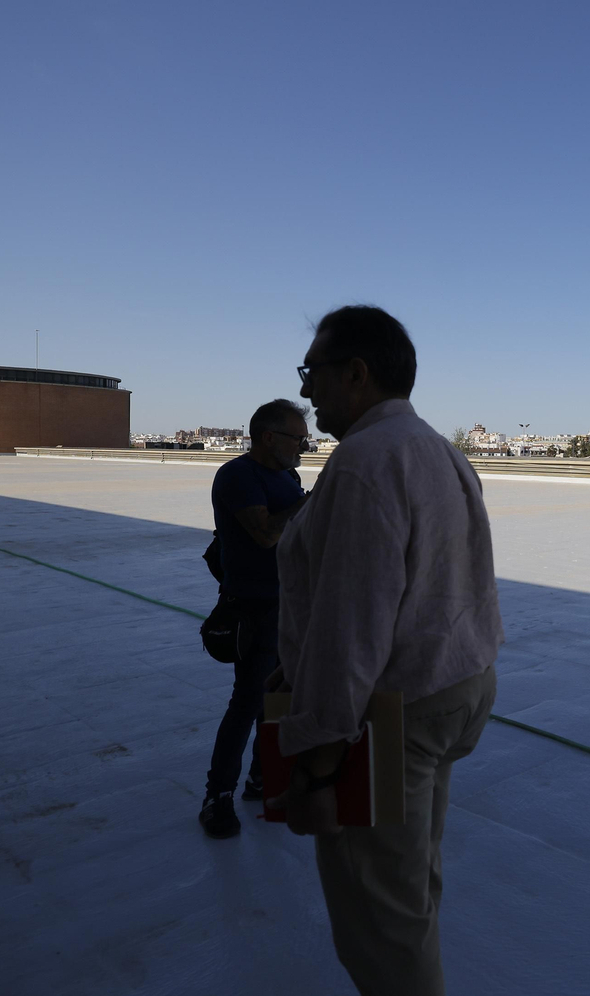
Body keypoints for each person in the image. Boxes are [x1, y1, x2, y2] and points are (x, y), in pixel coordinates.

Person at [268, 305, 502, 996]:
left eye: (313, 374)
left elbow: (352, 627)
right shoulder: (439, 449)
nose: (307, 392)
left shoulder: (367, 462)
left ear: (356, 373)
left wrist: (316, 768)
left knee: (382, 921)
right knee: (411, 882)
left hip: (391, 713)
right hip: (455, 687)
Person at [198, 399, 310, 839]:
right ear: (269, 437)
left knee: (278, 699)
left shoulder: (288, 475)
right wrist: (310, 504)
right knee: (247, 702)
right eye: (297, 437)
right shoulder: (237, 476)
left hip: (289, 605)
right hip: (254, 606)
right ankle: (217, 797)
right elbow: (264, 534)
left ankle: (264, 781)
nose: (304, 445)